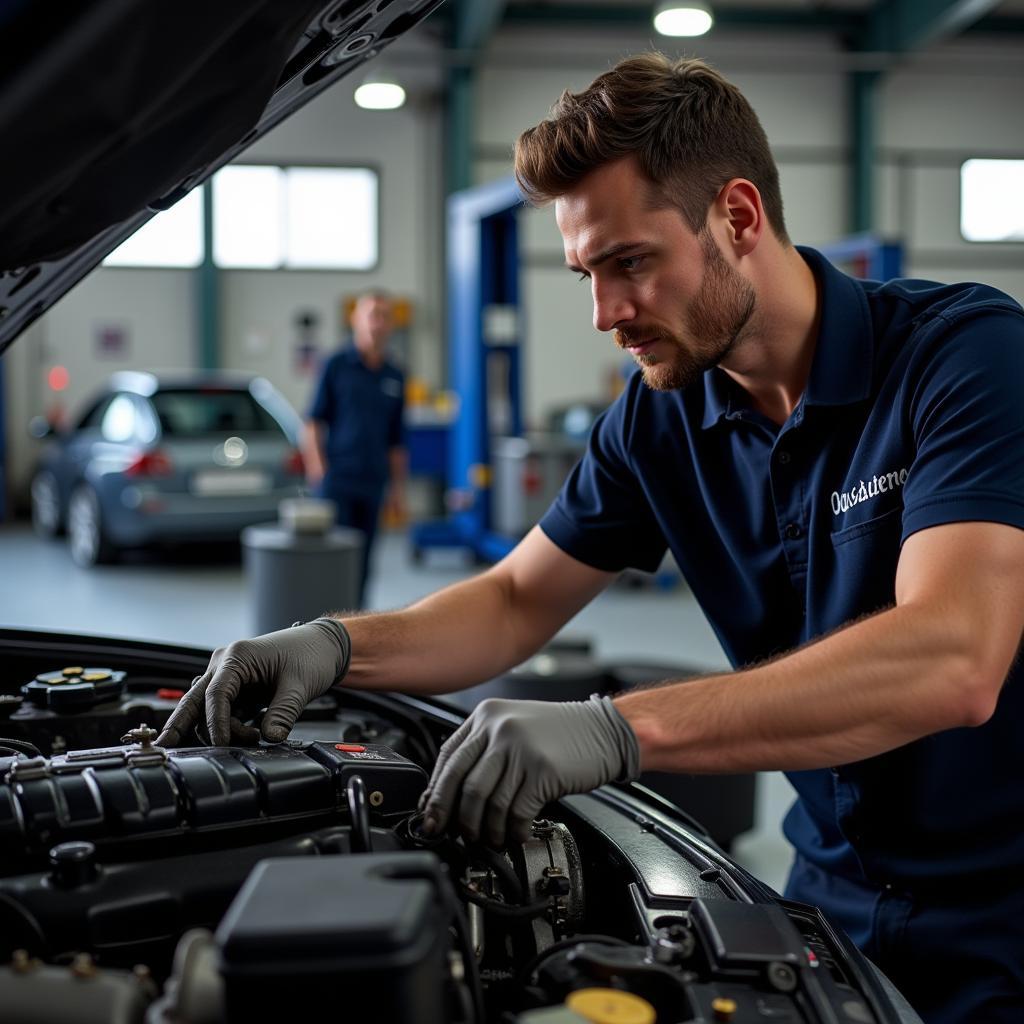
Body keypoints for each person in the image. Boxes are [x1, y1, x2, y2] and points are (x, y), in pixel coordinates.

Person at [158, 54, 1024, 1023]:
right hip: (829, 906)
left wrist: (619, 728)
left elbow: (954, 655)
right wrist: (335, 645)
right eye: (586, 273)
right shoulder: (661, 418)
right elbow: (514, 599)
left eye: (630, 262)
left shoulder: (964, 358)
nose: (607, 313)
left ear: (737, 218)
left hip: (1006, 912)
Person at [302, 290, 407, 605]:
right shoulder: (336, 365)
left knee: (364, 561)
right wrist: (319, 473)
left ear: (391, 324)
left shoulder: (395, 375)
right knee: (333, 558)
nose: (377, 323)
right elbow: (313, 423)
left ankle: (354, 626)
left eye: (384, 316)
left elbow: (397, 440)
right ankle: (323, 627)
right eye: (371, 314)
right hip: (338, 480)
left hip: (373, 482)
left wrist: (397, 490)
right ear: (355, 320)